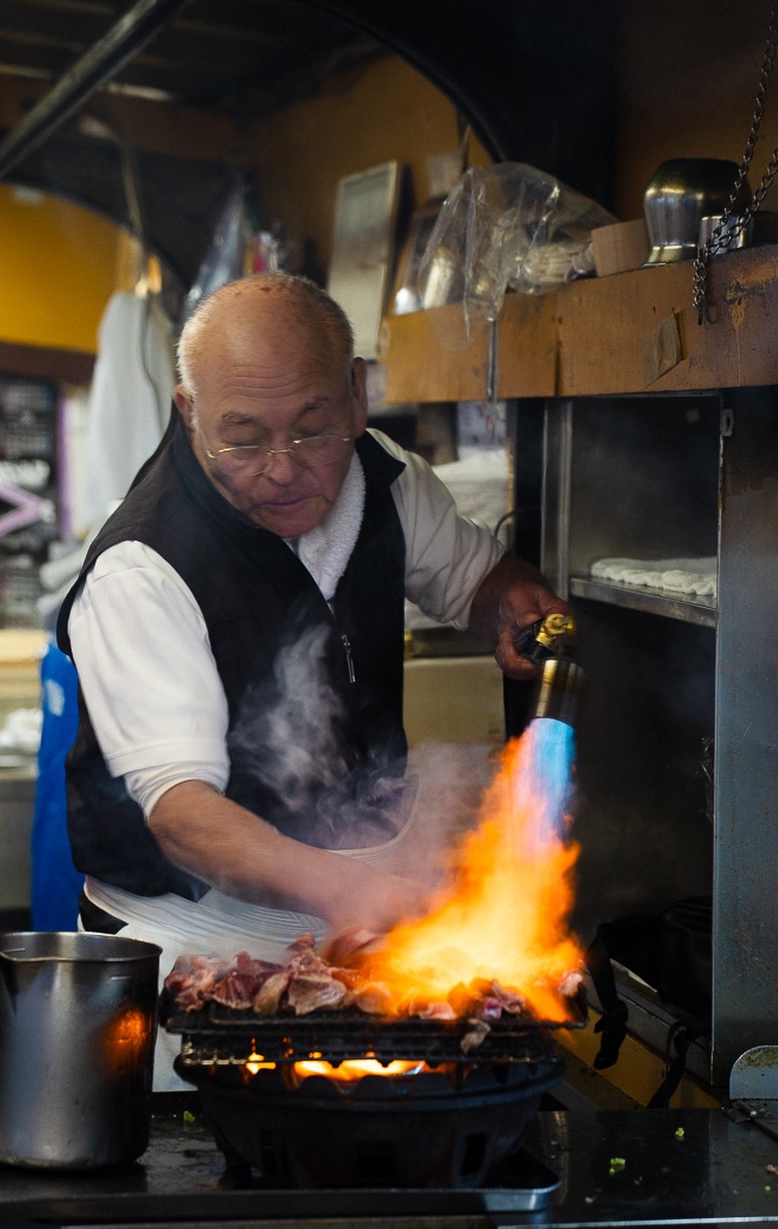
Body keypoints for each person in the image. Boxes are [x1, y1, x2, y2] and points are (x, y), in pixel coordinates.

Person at [56, 272, 570, 1078]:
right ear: (190, 414)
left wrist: (511, 603)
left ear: (355, 397)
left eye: (311, 426)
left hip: (356, 944)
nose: (283, 467)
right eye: (244, 436)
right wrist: (354, 892)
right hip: (190, 954)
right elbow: (184, 814)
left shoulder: (383, 480)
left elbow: (474, 581)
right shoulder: (142, 568)